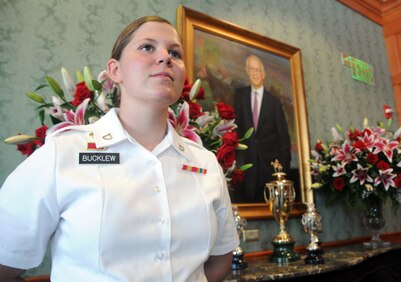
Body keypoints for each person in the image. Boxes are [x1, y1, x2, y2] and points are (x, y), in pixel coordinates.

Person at [0, 16, 238, 282]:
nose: (165, 57)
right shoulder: (63, 153)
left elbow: (219, 262)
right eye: (147, 47)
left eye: (174, 52)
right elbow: (5, 262)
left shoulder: (205, 163)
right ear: (115, 71)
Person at [233, 54, 291, 203]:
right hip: (246, 165)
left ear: (263, 73)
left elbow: (284, 138)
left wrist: (282, 169)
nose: (254, 73)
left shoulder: (274, 103)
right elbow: (234, 128)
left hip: (269, 166)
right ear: (247, 71)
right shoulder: (239, 96)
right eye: (251, 69)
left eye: (257, 69)